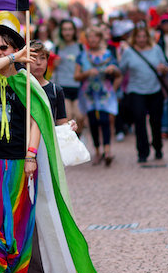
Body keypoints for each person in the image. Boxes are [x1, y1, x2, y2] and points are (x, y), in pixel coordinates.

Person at [0, 12, 103, 273]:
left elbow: (36, 122)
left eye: (4, 47)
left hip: (19, 160)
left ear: (16, 48)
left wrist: (31, 155)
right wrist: (11, 57)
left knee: (17, 221)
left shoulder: (27, 82)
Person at [119, 26, 168, 163]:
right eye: (138, 37)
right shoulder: (129, 52)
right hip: (136, 91)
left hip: (154, 90)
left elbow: (166, 67)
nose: (141, 39)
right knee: (139, 121)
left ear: (148, 37)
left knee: (156, 121)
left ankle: (158, 147)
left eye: (144, 36)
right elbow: (121, 70)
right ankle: (142, 152)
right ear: (134, 38)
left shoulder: (156, 49)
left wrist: (163, 69)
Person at [74, 25, 122, 166]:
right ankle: (97, 151)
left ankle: (107, 150)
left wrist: (112, 69)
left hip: (104, 93)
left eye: (95, 36)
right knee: (93, 122)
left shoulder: (108, 54)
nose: (93, 39)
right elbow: (76, 76)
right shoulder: (82, 56)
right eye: (90, 37)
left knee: (105, 120)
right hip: (88, 94)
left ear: (100, 38)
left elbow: (119, 73)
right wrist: (87, 73)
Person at [30, 40, 77, 129]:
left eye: (42, 58)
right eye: (33, 57)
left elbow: (61, 123)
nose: (38, 62)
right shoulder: (19, 87)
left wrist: (69, 126)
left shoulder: (56, 90)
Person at [53, 19, 85, 135]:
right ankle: (70, 141)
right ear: (61, 32)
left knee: (80, 117)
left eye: (70, 29)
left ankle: (77, 138)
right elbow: (49, 69)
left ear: (74, 31)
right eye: (65, 29)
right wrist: (53, 64)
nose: (67, 32)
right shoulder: (56, 48)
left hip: (78, 86)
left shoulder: (80, 47)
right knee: (68, 118)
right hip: (63, 86)